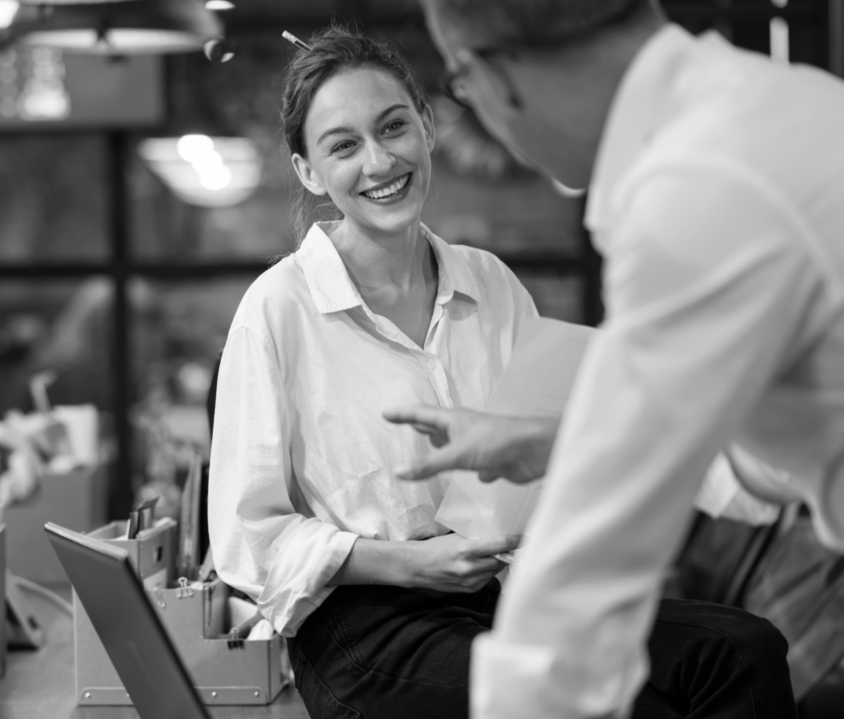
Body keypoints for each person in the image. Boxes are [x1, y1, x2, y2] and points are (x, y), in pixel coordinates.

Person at [208, 24, 796, 719]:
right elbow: (251, 542)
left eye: (394, 127)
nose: (379, 160)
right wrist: (404, 562)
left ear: (426, 127)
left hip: (503, 597)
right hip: (367, 631)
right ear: (309, 171)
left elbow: (551, 448)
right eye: (344, 145)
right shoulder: (278, 309)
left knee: (743, 649)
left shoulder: (487, 281)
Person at [382, 0, 844, 717]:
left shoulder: (695, 188)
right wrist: (562, 441)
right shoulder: (783, 105)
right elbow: (764, 459)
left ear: (496, 78)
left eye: (461, 89)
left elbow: (591, 568)